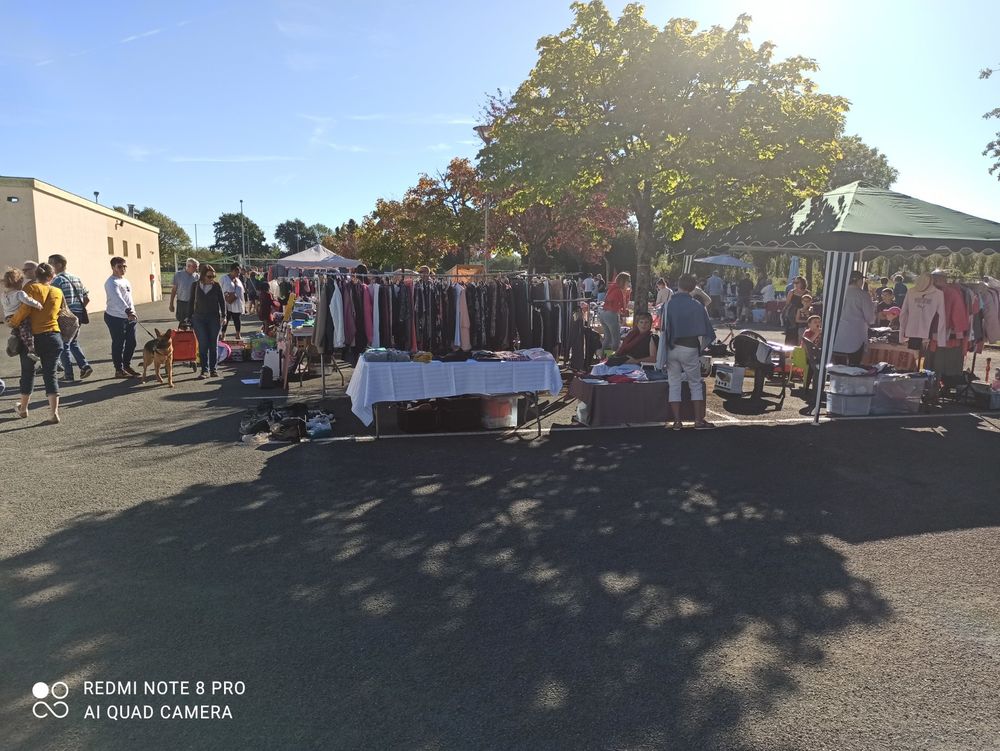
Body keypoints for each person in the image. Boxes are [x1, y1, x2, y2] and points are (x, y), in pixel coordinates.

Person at [9, 263, 64, 423]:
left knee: (27, 372)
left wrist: (13, 322)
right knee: (50, 374)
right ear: (52, 276)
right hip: (53, 335)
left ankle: (24, 408)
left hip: (32, 338)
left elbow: (24, 310)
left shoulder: (31, 289)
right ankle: (54, 412)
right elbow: (59, 311)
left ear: (36, 275)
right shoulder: (57, 291)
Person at [662, 274, 716, 430]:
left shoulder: (668, 304)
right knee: (695, 384)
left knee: (674, 384)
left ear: (678, 285)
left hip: (671, 348)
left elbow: (664, 328)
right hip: (690, 347)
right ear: (693, 288)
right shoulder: (697, 305)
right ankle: (698, 421)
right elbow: (707, 331)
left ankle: (677, 422)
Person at [47, 254, 93, 382]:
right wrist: (78, 309)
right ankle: (84, 366)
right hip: (78, 314)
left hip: (64, 315)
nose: (49, 266)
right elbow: (87, 298)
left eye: (51, 263)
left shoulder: (57, 281)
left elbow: (53, 300)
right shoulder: (76, 278)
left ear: (59, 265)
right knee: (73, 342)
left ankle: (68, 374)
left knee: (63, 344)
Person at [104, 256, 139, 378]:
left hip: (129, 316)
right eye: (120, 266)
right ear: (113, 267)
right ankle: (118, 369)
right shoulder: (111, 282)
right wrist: (128, 311)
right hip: (115, 317)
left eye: (124, 266)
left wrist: (132, 311)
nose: (123, 269)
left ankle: (127, 365)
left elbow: (128, 299)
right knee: (119, 343)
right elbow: (117, 299)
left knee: (132, 342)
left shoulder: (125, 281)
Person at [189, 264, 226, 379]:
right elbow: (191, 302)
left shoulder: (216, 286)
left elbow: (222, 302)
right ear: (203, 275)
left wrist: (224, 316)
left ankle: (213, 369)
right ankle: (204, 370)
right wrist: (189, 318)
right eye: (209, 277)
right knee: (203, 343)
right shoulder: (195, 286)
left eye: (213, 276)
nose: (211, 279)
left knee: (213, 344)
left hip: (213, 318)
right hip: (198, 318)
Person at [832, 270, 876, 365]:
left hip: (837, 335)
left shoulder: (837, 293)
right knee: (854, 366)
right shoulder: (863, 295)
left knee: (838, 367)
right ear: (859, 280)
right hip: (855, 336)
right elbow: (870, 318)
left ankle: (836, 380)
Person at [3, 268, 43, 360]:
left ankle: (12, 346)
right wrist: (38, 304)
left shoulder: (3, 295)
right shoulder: (19, 293)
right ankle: (31, 350)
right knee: (27, 332)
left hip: (9, 318)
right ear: (18, 282)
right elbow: (28, 300)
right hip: (19, 317)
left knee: (17, 332)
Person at [599, 272, 631, 351]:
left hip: (603, 314)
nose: (629, 283)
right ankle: (612, 359)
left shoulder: (612, 288)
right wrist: (628, 294)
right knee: (616, 340)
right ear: (624, 281)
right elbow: (624, 306)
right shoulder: (619, 291)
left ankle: (602, 357)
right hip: (611, 314)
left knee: (607, 338)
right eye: (628, 281)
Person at [220, 263, 247, 340]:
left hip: (237, 303)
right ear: (232, 271)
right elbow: (220, 289)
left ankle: (238, 334)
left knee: (237, 319)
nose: (238, 274)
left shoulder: (238, 280)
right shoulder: (224, 278)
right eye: (237, 272)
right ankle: (223, 334)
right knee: (226, 319)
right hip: (226, 302)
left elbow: (242, 291)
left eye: (239, 272)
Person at [169, 258, 200, 324]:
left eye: (197, 267)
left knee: (193, 323)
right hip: (182, 303)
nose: (196, 269)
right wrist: (171, 304)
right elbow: (174, 290)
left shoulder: (197, 276)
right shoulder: (178, 275)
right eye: (194, 267)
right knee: (183, 323)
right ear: (188, 266)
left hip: (193, 304)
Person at [784, 276, 811, 346]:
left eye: (797, 282)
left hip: (803, 313)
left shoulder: (807, 292)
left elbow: (810, 303)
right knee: (791, 333)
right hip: (792, 314)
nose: (795, 284)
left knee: (802, 333)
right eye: (794, 282)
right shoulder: (791, 292)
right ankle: (788, 351)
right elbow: (787, 304)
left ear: (802, 283)